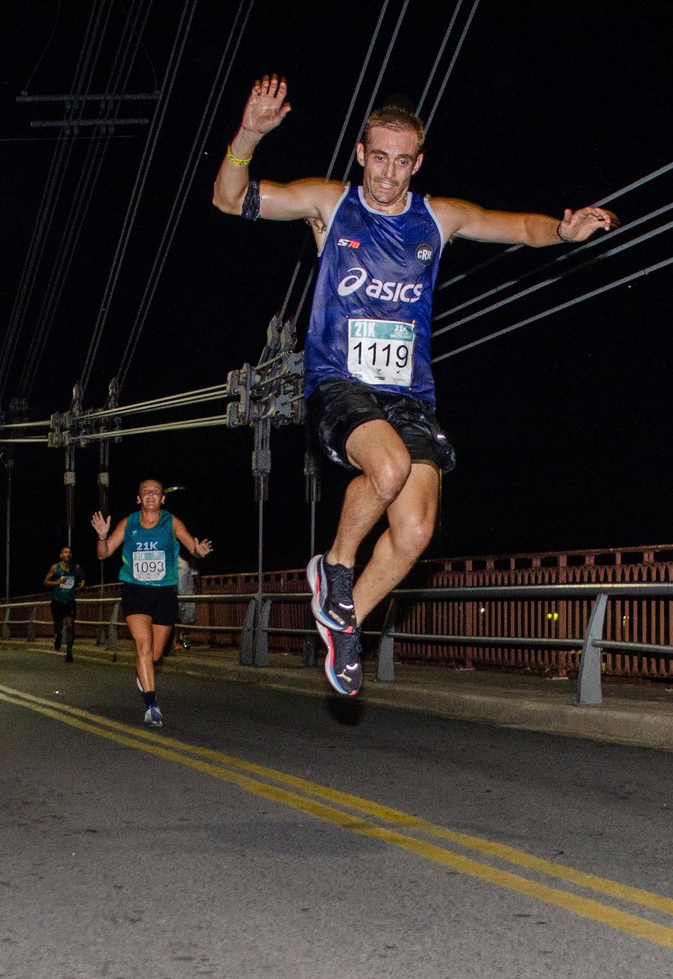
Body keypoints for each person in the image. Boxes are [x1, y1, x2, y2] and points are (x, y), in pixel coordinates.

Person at [212, 75, 616, 697]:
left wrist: (563, 232)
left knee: (416, 531)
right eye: (379, 159)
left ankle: (346, 625)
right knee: (389, 468)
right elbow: (228, 198)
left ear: (417, 162)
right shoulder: (330, 204)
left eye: (402, 162)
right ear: (361, 154)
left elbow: (517, 227)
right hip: (338, 383)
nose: (388, 174)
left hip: (409, 396)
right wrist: (248, 134)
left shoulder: (437, 217)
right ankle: (334, 565)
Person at [91, 479, 213, 727]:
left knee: (154, 655)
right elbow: (103, 553)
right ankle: (152, 705)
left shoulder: (171, 522)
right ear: (138, 499)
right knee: (143, 645)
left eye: (155, 491)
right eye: (145, 492)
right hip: (135, 590)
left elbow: (192, 547)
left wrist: (199, 551)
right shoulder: (129, 523)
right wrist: (102, 536)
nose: (150, 495)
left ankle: (143, 671)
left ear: (162, 499)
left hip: (164, 592)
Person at [43, 546, 85, 662]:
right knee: (58, 625)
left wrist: (82, 583)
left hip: (70, 600)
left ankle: (69, 651)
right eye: (65, 552)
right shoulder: (55, 568)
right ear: (61, 555)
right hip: (57, 600)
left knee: (70, 626)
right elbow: (45, 582)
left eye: (70, 553)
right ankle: (58, 635)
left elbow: (82, 577)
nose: (68, 554)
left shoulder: (76, 567)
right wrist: (57, 582)